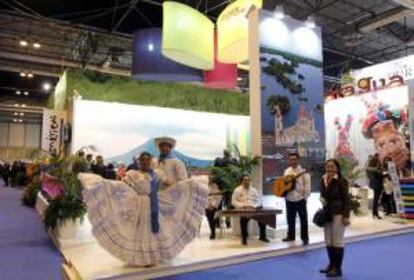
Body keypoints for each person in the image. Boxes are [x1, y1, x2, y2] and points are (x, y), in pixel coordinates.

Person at [77, 151, 208, 266]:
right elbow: (123, 183)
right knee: (140, 231)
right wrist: (107, 185)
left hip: (155, 203)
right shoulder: (133, 173)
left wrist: (182, 188)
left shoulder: (157, 173)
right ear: (139, 162)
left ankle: (154, 257)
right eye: (142, 160)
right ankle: (142, 258)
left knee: (154, 231)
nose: (145, 163)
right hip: (138, 204)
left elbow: (169, 184)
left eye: (147, 160)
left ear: (151, 161)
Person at [319, 159, 350, 278]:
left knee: (337, 241)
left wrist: (346, 216)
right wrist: (322, 201)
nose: (330, 169)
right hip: (327, 214)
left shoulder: (342, 181)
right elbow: (322, 195)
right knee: (328, 240)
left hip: (338, 214)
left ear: (337, 168)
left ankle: (337, 269)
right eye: (328, 167)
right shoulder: (323, 179)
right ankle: (331, 265)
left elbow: (346, 200)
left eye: (332, 167)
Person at [282, 152, 311, 245]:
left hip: (300, 199)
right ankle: (291, 236)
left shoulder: (304, 171)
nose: (292, 161)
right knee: (290, 219)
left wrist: (305, 198)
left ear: (298, 160)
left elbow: (307, 186)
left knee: (303, 219)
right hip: (289, 198)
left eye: (294, 159)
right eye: (291, 159)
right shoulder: (286, 171)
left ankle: (305, 237)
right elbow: (284, 184)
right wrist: (284, 195)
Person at [232, 173, 269, 245]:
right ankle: (244, 238)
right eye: (245, 180)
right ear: (242, 181)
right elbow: (233, 201)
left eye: (249, 180)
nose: (247, 182)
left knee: (263, 217)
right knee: (243, 220)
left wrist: (255, 206)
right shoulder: (237, 190)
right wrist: (242, 206)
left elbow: (259, 200)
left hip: (254, 209)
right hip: (244, 209)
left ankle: (262, 236)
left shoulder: (254, 190)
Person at [366, 153, 383, 219]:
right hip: (377, 184)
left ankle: (375, 213)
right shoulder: (376, 167)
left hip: (373, 184)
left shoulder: (370, 167)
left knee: (376, 199)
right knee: (376, 199)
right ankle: (375, 213)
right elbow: (379, 174)